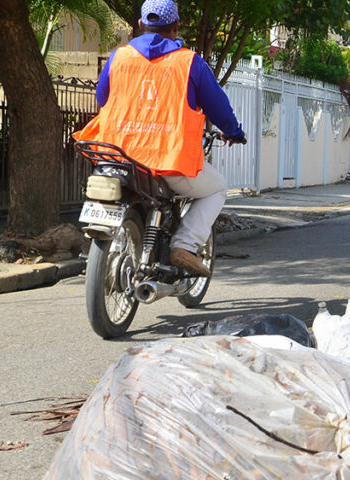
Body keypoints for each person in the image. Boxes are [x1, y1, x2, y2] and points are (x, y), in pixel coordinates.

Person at [74, 0, 245, 277]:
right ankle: (184, 245)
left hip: (117, 155)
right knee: (217, 188)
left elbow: (102, 98)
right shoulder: (190, 63)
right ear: (176, 27)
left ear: (140, 25)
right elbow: (219, 107)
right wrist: (234, 132)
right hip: (168, 161)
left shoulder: (119, 57)